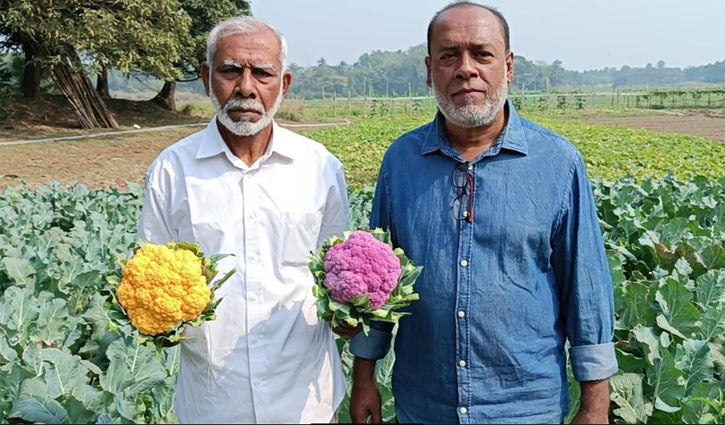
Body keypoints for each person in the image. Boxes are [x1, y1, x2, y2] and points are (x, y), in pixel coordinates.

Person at [348, 2, 617, 423]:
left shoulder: (557, 162)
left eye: (482, 54)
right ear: (429, 69)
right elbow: (375, 282)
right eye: (449, 55)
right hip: (424, 404)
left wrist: (596, 406)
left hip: (527, 406)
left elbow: (586, 289)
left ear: (508, 67)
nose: (465, 69)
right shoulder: (401, 161)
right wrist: (364, 379)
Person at [138, 16, 350, 424]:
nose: (247, 88)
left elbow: (335, 274)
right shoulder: (172, 170)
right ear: (206, 78)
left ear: (283, 84)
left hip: (306, 401)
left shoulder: (320, 167)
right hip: (214, 401)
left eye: (263, 73)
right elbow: (152, 271)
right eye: (230, 71)